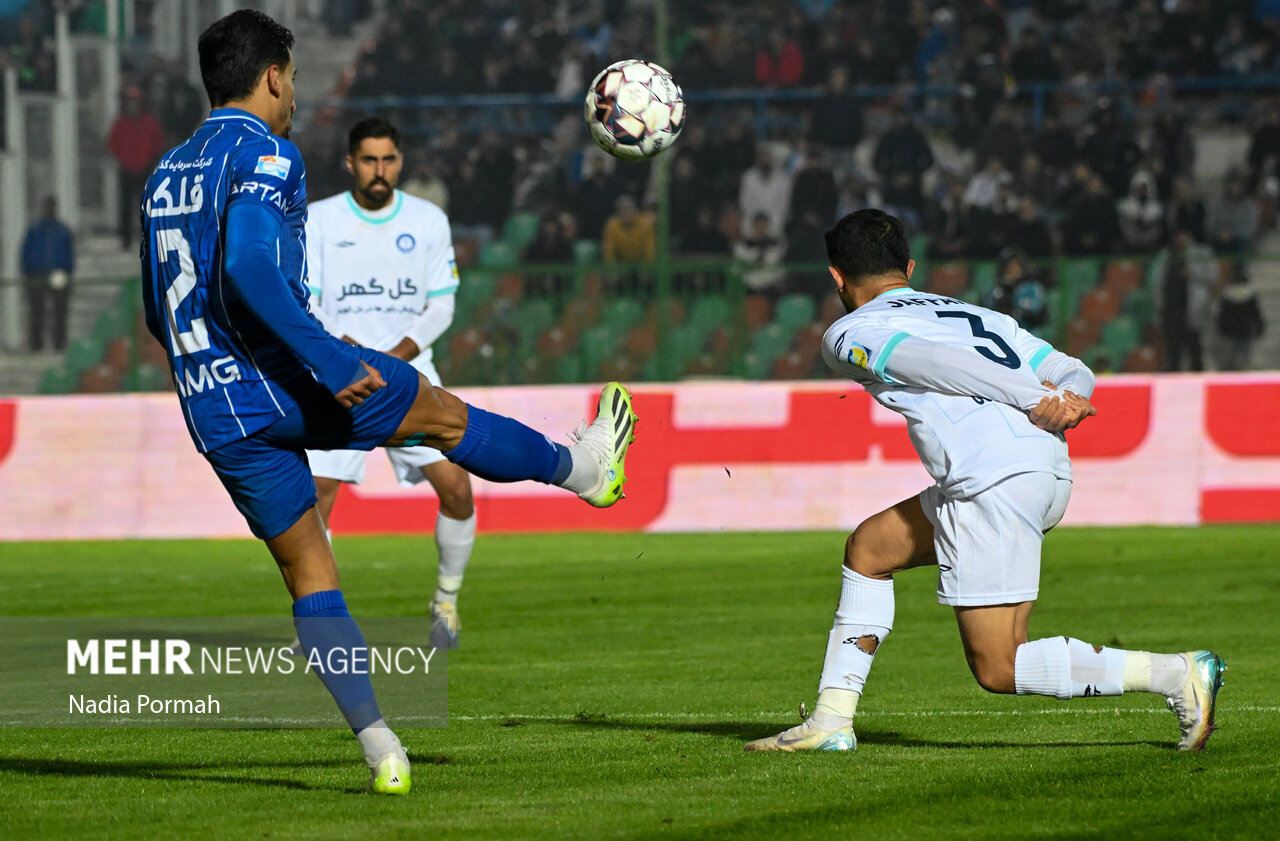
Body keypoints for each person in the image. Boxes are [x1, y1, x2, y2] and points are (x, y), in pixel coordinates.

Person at [139, 10, 637, 796]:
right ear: (272, 75)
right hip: (284, 378)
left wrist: (210, 375)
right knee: (439, 415)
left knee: (310, 572)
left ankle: (380, 747)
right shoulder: (267, 152)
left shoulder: (164, 173)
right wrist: (328, 359)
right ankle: (581, 468)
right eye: (293, 78)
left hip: (211, 405)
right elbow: (247, 265)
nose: (295, 93)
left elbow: (155, 315)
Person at [745, 209, 1223, 754]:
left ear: (836, 277)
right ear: (909, 266)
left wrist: (1034, 397)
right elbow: (1071, 367)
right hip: (1036, 466)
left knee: (999, 665)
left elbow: (931, 361)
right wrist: (1068, 395)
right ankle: (831, 720)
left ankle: (1176, 674)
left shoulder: (850, 331)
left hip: (992, 477)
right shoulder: (972, 313)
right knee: (870, 548)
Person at [304, 117, 475, 651]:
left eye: (389, 160)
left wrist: (393, 358)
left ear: (400, 161)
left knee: (458, 489)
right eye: (369, 160)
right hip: (338, 377)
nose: (380, 171)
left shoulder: (427, 220)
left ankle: (446, 600)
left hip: (411, 376)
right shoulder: (318, 220)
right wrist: (350, 355)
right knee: (315, 502)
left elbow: (441, 304)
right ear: (350, 163)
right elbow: (304, 303)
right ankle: (317, 626)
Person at [108, 85, 166, 250]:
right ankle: (126, 239)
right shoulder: (121, 123)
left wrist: (150, 158)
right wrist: (124, 158)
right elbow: (113, 143)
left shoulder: (149, 122)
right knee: (125, 206)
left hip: (145, 169)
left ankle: (147, 236)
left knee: (146, 205)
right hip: (127, 169)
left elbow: (157, 141)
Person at [1150, 229, 1216, 372]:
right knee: (1173, 350)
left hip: (1193, 307)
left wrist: (1191, 273)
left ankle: (1198, 376)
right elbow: (1157, 282)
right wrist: (1159, 305)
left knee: (1195, 348)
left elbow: (1212, 275)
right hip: (1171, 308)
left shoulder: (1201, 253)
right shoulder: (1166, 255)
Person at [20, 194, 74, 352]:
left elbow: (69, 254)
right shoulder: (35, 230)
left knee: (59, 310)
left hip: (58, 273)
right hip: (37, 274)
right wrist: (27, 272)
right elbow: (26, 252)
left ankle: (59, 343)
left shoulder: (62, 231)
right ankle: (36, 344)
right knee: (37, 310)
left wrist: (68, 273)